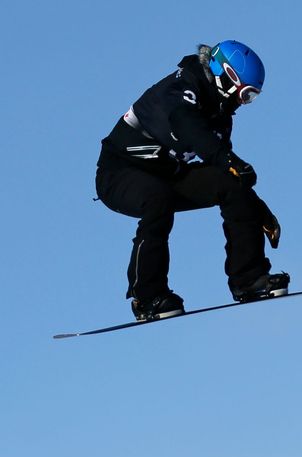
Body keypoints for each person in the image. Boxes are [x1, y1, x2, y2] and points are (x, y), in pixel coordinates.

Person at [95, 40, 289, 322]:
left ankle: (249, 279)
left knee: (232, 185)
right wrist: (229, 160)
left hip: (167, 173)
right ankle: (147, 297)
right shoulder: (183, 87)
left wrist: (256, 207)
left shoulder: (220, 114)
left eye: (251, 98)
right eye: (245, 94)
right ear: (227, 76)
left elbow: (223, 166)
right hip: (119, 174)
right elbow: (188, 126)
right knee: (157, 199)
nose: (242, 103)